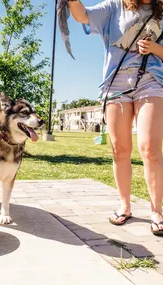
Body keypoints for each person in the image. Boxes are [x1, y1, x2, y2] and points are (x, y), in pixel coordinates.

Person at [68, 0, 163, 235]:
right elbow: (82, 16)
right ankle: (125, 205)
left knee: (150, 148)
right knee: (120, 149)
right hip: (115, 85)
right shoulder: (115, 7)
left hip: (151, 81)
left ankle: (157, 211)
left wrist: (155, 50)